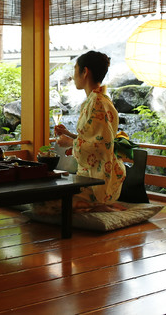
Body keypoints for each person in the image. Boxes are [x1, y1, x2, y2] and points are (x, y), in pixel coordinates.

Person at [34, 51, 126, 214]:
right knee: (43, 200)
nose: (73, 75)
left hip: (96, 179)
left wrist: (69, 143)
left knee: (41, 204)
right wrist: (69, 134)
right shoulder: (100, 99)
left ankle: (97, 205)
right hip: (93, 175)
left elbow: (101, 145)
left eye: (75, 69)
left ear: (85, 72)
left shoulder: (96, 103)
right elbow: (96, 138)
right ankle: (97, 205)